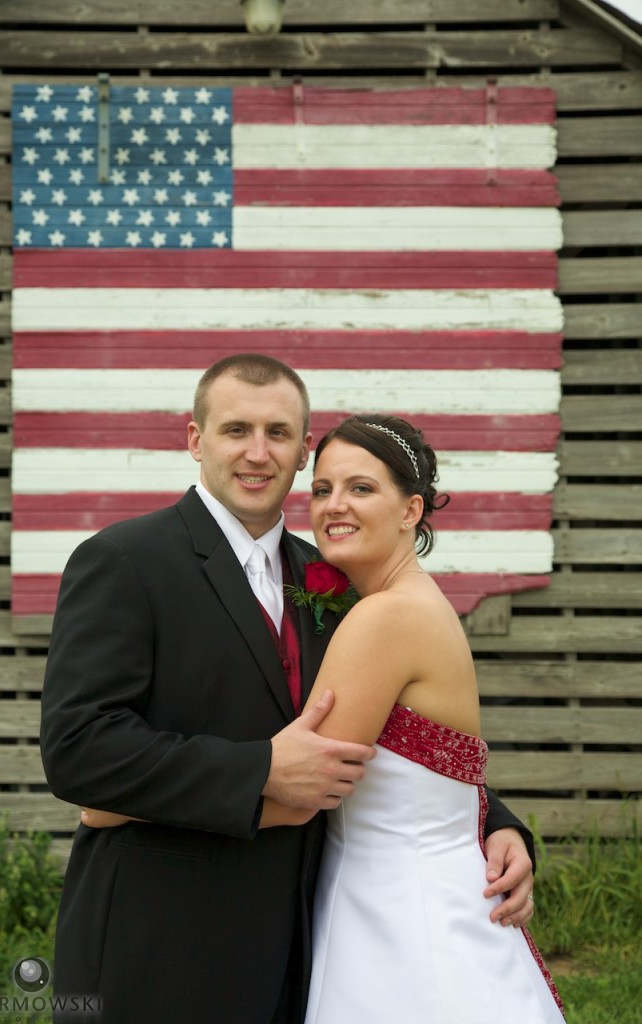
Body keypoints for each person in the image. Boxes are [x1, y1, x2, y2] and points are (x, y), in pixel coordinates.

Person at [40, 354, 536, 1024]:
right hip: (162, 939)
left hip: (300, 939)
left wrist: (494, 824)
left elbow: (395, 730)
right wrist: (260, 771)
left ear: (302, 450)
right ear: (195, 439)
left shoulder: (332, 574)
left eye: (277, 433)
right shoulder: (125, 561)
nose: (256, 452)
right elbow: (78, 749)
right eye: (235, 429)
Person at [281, 415, 562, 1023]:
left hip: (400, 923)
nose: (334, 505)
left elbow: (304, 783)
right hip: (421, 897)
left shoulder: (385, 617)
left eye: (361, 488)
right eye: (322, 488)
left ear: (411, 510)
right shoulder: (416, 603)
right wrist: (500, 824)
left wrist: (129, 797)